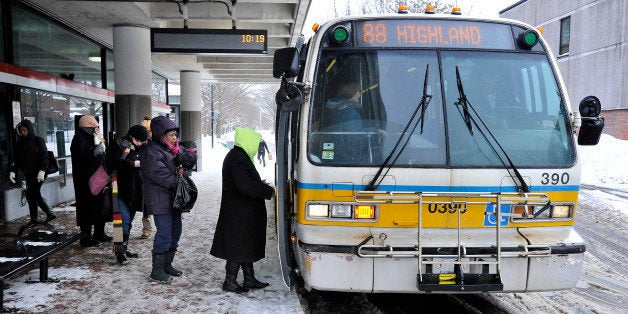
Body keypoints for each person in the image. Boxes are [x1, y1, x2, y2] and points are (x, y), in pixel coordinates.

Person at [210, 127, 275, 293]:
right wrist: (266, 190)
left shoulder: (239, 156)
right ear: (249, 141)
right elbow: (245, 185)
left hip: (242, 212)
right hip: (239, 212)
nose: (256, 146)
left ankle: (249, 278)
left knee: (245, 245)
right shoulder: (238, 159)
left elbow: (245, 182)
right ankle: (230, 281)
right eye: (255, 142)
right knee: (237, 246)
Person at [141, 116, 196, 283]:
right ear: (161, 135)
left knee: (175, 232)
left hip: (174, 199)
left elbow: (192, 159)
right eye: (171, 135)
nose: (175, 138)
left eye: (175, 134)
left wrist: (188, 158)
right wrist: (180, 183)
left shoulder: (174, 148)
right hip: (160, 198)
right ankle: (156, 270)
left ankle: (167, 264)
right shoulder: (151, 151)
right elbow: (159, 174)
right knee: (164, 233)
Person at [106, 125, 149, 264]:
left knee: (128, 221)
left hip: (134, 190)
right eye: (138, 140)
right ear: (131, 136)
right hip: (119, 188)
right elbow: (112, 163)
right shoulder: (118, 145)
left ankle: (123, 248)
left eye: (142, 141)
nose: (140, 143)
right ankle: (119, 252)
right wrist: (133, 164)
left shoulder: (140, 147)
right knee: (121, 221)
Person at [70, 115, 113, 247]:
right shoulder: (79, 139)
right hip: (85, 180)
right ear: (88, 127)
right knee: (86, 208)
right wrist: (95, 152)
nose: (97, 129)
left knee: (101, 206)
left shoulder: (95, 137)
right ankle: (86, 237)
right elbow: (80, 158)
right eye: (95, 127)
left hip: (98, 177)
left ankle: (99, 233)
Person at [9, 119, 56, 224]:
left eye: (25, 130)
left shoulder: (38, 140)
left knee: (31, 194)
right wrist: (13, 171)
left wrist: (43, 170)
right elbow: (16, 159)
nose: (23, 133)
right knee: (34, 194)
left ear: (29, 130)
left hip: (39, 173)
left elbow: (44, 156)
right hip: (28, 173)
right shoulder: (20, 143)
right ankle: (48, 214)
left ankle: (35, 218)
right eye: (21, 131)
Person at [140, 115, 154, 239]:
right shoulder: (140, 144)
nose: (148, 133)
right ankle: (146, 228)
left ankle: (148, 228)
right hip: (143, 178)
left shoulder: (155, 144)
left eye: (149, 131)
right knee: (146, 206)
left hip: (153, 178)